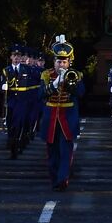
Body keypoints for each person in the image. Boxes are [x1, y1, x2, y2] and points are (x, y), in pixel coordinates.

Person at [40, 35, 84, 191]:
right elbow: (41, 94)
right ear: (54, 62)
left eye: (64, 61)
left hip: (68, 118)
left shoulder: (76, 75)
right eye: (59, 61)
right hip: (50, 118)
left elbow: (80, 93)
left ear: (69, 62)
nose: (61, 64)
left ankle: (62, 179)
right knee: (52, 154)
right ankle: (54, 178)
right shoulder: (46, 75)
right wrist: (55, 83)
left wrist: (69, 83)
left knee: (66, 152)